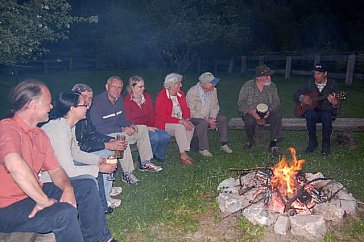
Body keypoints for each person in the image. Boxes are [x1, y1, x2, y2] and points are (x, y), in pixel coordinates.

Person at [0, 80, 116, 242]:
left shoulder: (40, 135)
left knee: (86, 185)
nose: (52, 107)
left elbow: (56, 170)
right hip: (7, 207)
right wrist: (43, 200)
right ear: (33, 104)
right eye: (48, 103)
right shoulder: (7, 128)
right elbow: (14, 165)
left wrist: (67, 187)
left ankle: (98, 238)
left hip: (34, 193)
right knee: (64, 213)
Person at [40, 91, 120, 210]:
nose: (87, 107)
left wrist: (99, 160)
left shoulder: (68, 125)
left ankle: (103, 206)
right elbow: (68, 170)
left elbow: (76, 153)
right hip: (49, 178)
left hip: (62, 170)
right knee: (92, 174)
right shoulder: (59, 130)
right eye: (84, 104)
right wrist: (99, 168)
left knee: (95, 166)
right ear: (72, 109)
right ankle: (102, 207)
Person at [71, 84, 136, 211]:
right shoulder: (73, 116)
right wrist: (106, 144)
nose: (88, 101)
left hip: (83, 150)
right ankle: (106, 197)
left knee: (111, 152)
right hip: (74, 157)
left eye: (90, 98)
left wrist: (109, 139)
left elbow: (92, 132)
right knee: (107, 154)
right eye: (84, 97)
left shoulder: (84, 113)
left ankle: (108, 189)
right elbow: (79, 147)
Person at [90, 76, 162, 172]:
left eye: (119, 88)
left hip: (117, 131)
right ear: (107, 87)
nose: (117, 90)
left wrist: (130, 124)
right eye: (114, 87)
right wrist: (122, 130)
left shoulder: (119, 99)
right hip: (105, 135)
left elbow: (122, 119)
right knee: (122, 138)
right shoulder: (97, 102)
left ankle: (145, 162)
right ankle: (128, 173)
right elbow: (98, 127)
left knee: (142, 129)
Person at [293, 64, 340, 155]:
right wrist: (302, 97)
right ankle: (312, 142)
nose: (316, 76)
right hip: (313, 111)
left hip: (327, 111)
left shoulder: (332, 84)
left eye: (319, 74)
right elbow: (296, 94)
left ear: (325, 73)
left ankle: (326, 144)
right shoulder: (309, 83)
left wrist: (335, 103)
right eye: (314, 73)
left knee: (326, 116)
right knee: (309, 114)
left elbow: (337, 104)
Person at [124, 76, 170, 161]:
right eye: (140, 87)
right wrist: (146, 128)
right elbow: (129, 120)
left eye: (143, 86)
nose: (143, 89)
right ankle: (144, 159)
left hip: (149, 126)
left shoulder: (146, 97)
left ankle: (158, 156)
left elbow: (151, 114)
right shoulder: (127, 100)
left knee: (165, 136)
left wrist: (151, 126)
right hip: (137, 129)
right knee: (154, 138)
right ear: (132, 87)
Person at [186, 72, 232, 157]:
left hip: (208, 116)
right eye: (212, 83)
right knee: (203, 123)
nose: (214, 85)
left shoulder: (213, 90)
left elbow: (215, 106)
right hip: (195, 117)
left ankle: (223, 144)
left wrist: (213, 118)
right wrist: (206, 120)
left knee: (222, 119)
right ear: (205, 84)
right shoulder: (192, 92)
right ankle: (203, 149)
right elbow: (191, 111)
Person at [238, 65, 282, 152]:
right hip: (252, 112)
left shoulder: (272, 86)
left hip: (267, 112)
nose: (269, 78)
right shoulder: (248, 86)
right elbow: (241, 103)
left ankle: (273, 143)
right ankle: (250, 140)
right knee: (249, 120)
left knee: (277, 115)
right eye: (267, 76)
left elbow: (276, 102)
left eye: (269, 76)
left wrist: (270, 110)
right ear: (259, 78)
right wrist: (250, 112)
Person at [154, 73, 195, 166]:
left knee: (191, 126)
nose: (181, 85)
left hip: (178, 122)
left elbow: (186, 109)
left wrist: (187, 119)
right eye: (178, 83)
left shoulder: (181, 94)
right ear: (171, 85)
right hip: (164, 124)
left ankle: (184, 149)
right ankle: (183, 155)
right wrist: (181, 121)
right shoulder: (162, 96)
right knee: (180, 127)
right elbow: (162, 116)